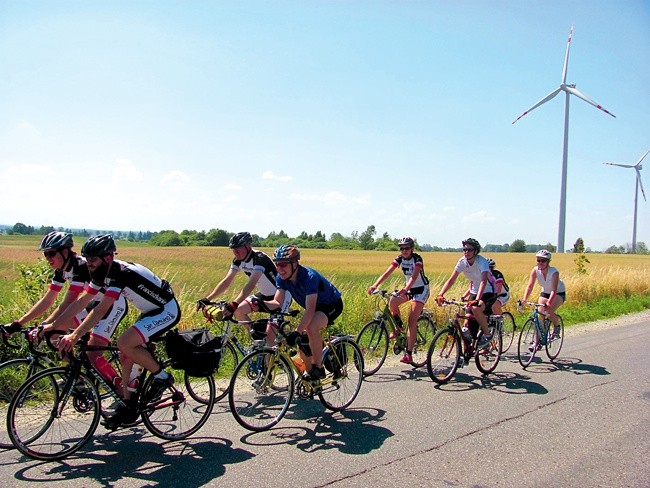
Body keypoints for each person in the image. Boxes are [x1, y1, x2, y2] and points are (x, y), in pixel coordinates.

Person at [50, 234, 180, 429]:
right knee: (125, 355)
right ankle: (127, 404)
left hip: (166, 310)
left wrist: (74, 335)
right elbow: (83, 301)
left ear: (108, 258)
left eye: (92, 259)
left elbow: (100, 309)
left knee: (124, 343)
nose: (89, 264)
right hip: (150, 311)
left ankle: (162, 377)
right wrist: (54, 325)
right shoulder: (100, 271)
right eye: (87, 259)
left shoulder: (121, 273)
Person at [5, 232, 127, 378]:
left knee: (92, 354)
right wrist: (18, 323)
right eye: (45, 255)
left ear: (64, 252)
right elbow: (47, 300)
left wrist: (45, 325)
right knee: (56, 334)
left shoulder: (81, 266)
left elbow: (68, 303)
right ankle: (78, 379)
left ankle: (120, 389)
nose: (48, 258)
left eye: (51, 253)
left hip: (113, 305)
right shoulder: (61, 271)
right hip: (91, 304)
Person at [260, 244, 343, 382]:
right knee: (302, 342)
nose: (279, 269)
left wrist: (297, 331)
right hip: (315, 308)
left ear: (295, 263)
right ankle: (312, 376)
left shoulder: (309, 277)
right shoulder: (282, 278)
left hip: (331, 304)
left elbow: (310, 310)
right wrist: (259, 305)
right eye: (277, 265)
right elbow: (277, 303)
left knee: (310, 328)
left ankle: (318, 368)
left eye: (283, 265)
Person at [196, 232, 291, 323]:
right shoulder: (238, 261)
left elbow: (251, 285)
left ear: (248, 246)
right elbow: (226, 281)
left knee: (275, 332)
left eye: (238, 248)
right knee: (238, 311)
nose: (235, 252)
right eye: (233, 249)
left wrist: (234, 303)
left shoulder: (260, 258)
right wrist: (207, 299)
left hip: (282, 295)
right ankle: (255, 337)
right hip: (264, 295)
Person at [367, 236, 430, 364]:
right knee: (393, 302)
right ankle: (399, 327)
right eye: (401, 248)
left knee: (412, 320)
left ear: (412, 248)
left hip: (421, 290)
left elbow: (414, 276)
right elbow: (387, 272)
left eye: (406, 248)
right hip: (409, 289)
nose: (404, 251)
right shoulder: (400, 259)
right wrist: (375, 285)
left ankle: (409, 354)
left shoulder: (417, 259)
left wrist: (405, 289)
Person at [436, 238, 497, 347]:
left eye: (469, 249)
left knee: (475, 308)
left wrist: (477, 300)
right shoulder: (462, 262)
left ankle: (488, 335)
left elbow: (483, 281)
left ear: (475, 251)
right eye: (464, 249)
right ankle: (467, 353)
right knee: (468, 322)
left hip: (489, 291)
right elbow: (451, 279)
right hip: (474, 291)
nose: (466, 252)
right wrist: (441, 294)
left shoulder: (481, 261)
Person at [521, 249, 566, 339]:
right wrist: (524, 299)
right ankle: (538, 341)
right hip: (545, 292)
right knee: (540, 314)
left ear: (548, 262)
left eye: (543, 260)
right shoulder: (535, 270)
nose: (540, 262)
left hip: (558, 293)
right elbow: (530, 286)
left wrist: (549, 303)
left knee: (548, 311)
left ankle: (557, 326)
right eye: (538, 260)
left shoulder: (554, 272)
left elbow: (554, 290)